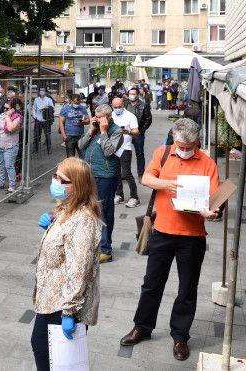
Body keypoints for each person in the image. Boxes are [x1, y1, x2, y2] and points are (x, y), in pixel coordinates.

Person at [120, 118, 220, 362]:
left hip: (192, 237)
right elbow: (146, 178)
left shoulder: (208, 164)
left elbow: (215, 200)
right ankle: (142, 327)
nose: (184, 150)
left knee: (187, 289)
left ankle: (180, 336)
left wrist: (212, 212)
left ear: (197, 142)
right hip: (162, 232)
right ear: (174, 140)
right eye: (180, 145)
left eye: (189, 146)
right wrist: (169, 184)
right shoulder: (163, 153)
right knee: (152, 283)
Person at [31, 157, 102, 371]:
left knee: (52, 356)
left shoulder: (84, 221)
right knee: (46, 351)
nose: (55, 182)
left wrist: (69, 312)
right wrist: (53, 226)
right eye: (55, 176)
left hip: (63, 303)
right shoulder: (66, 208)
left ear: (76, 186)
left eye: (62, 180)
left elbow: (79, 269)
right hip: (51, 297)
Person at [78, 104, 122, 263]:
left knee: (104, 211)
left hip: (105, 176)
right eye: (95, 116)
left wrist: (103, 132)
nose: (96, 119)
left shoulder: (116, 131)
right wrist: (91, 130)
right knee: (89, 210)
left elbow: (109, 151)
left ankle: (106, 249)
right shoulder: (94, 128)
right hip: (89, 174)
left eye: (100, 117)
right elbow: (81, 146)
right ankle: (94, 243)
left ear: (109, 117)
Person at [112, 97, 140, 207]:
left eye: (120, 107)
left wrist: (127, 131)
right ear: (112, 106)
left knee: (126, 173)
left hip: (125, 148)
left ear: (123, 105)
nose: (118, 109)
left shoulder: (130, 116)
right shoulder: (111, 115)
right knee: (116, 172)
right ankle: (119, 195)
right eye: (115, 107)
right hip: (113, 147)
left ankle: (134, 197)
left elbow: (136, 131)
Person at [0, 97, 23, 192]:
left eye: (7, 108)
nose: (5, 110)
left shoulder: (17, 117)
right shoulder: (1, 115)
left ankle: (12, 185)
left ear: (13, 109)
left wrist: (8, 117)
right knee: (1, 165)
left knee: (9, 165)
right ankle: (1, 182)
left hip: (10, 146)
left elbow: (10, 128)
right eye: (4, 108)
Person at [126, 87, 153, 179]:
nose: (131, 96)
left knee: (140, 154)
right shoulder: (125, 104)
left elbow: (148, 120)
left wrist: (141, 131)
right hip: (126, 134)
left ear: (137, 95)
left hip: (138, 134)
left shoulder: (143, 105)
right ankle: (125, 173)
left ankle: (141, 174)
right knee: (125, 153)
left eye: (133, 94)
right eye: (130, 94)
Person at [58, 93, 90, 158]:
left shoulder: (83, 108)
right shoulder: (65, 108)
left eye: (78, 103)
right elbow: (61, 122)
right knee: (70, 158)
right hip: (69, 136)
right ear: (71, 101)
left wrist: (84, 122)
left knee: (83, 156)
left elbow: (88, 120)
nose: (77, 105)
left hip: (80, 136)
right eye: (75, 103)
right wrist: (64, 135)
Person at [32, 87, 55, 154]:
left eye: (43, 90)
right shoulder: (36, 99)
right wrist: (35, 116)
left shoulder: (48, 99)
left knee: (47, 135)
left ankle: (49, 149)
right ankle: (35, 149)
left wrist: (46, 108)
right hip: (38, 119)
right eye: (40, 90)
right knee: (36, 135)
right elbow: (34, 108)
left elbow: (52, 108)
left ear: (45, 92)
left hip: (46, 120)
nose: (42, 91)